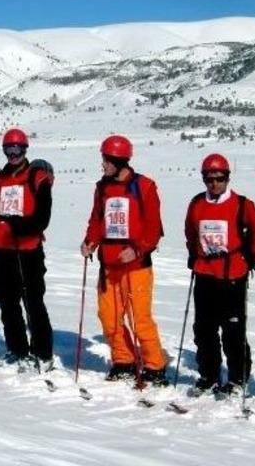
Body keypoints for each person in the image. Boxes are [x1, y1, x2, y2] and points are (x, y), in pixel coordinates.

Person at [80, 135, 168, 385]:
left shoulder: (145, 187)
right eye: (103, 159)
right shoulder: (102, 188)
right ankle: (124, 360)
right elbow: (97, 221)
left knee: (140, 319)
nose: (103, 165)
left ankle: (154, 365)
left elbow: (154, 229)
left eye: (107, 160)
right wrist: (89, 242)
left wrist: (138, 249)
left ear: (119, 160)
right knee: (109, 316)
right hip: (109, 265)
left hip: (137, 266)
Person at [184, 153, 255, 397]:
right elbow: (190, 231)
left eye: (219, 179)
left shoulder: (242, 204)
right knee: (204, 329)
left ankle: (237, 378)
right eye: (209, 179)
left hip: (232, 274)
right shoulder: (197, 203)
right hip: (205, 273)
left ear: (227, 178)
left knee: (233, 330)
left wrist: (251, 258)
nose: (214, 184)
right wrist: (194, 252)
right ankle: (209, 374)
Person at [0, 128, 54, 373]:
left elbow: (43, 217)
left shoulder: (37, 177)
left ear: (25, 149)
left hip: (28, 250)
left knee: (33, 302)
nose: (13, 154)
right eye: (8, 149)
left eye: (17, 149)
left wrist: (23, 226)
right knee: (8, 302)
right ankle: (17, 349)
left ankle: (42, 353)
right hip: (3, 250)